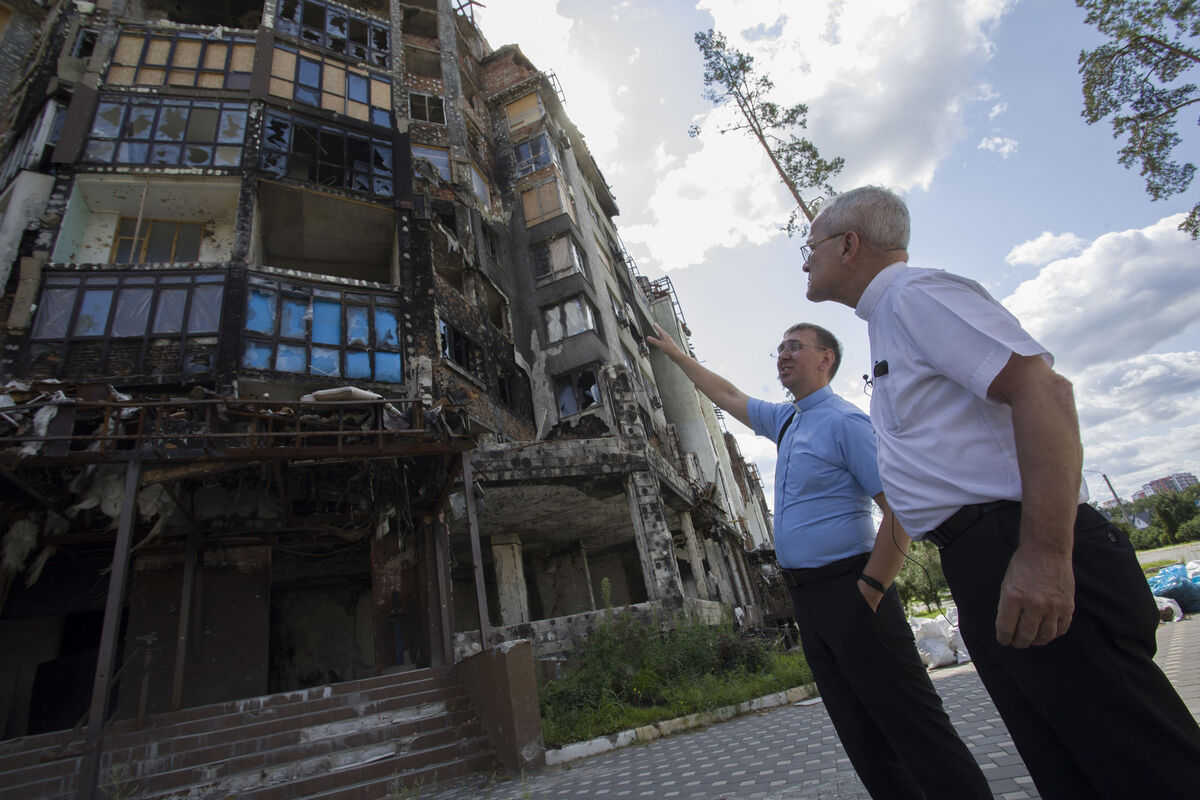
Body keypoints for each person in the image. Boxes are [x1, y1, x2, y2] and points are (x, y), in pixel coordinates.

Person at [802, 185, 1200, 799]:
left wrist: (1043, 554)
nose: (805, 258)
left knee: (1140, 764)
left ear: (850, 245)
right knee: (1069, 766)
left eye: (813, 245)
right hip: (982, 556)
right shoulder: (889, 320)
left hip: (1020, 543)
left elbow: (1044, 392)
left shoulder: (916, 295)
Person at [647, 320, 992, 800]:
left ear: (826, 358)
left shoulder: (845, 423)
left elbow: (900, 509)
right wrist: (675, 355)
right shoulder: (787, 420)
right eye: (780, 347)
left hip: (852, 590)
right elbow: (725, 394)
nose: (783, 355)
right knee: (861, 735)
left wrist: (871, 589)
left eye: (795, 347)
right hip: (808, 600)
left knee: (916, 726)